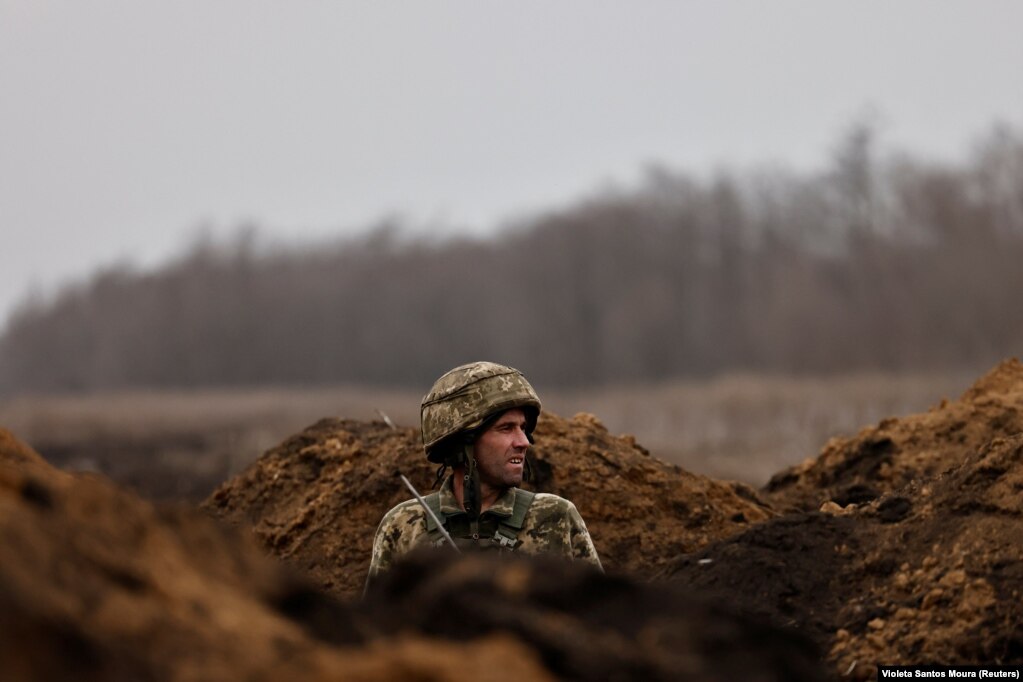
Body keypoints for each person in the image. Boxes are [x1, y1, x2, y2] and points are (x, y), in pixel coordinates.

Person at [365, 361, 602, 589]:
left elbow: (602, 620)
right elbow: (377, 625)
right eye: (506, 428)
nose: (523, 442)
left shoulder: (555, 518)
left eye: (523, 428)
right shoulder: (405, 526)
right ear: (462, 443)